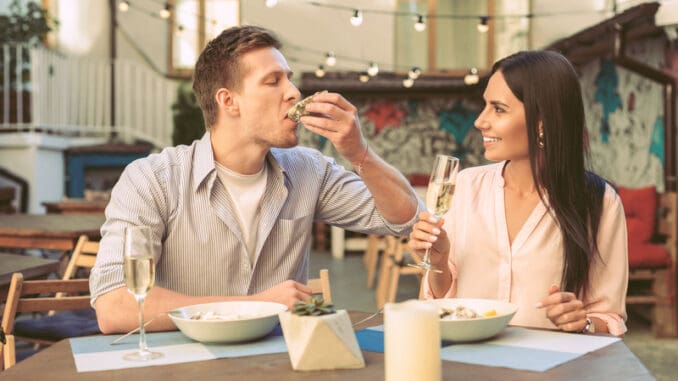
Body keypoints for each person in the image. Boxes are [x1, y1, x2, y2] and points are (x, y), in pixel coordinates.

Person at [90, 25, 421, 334]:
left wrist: (359, 153)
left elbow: (406, 218)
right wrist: (255, 307)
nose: (293, 92)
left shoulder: (310, 170)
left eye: (289, 79)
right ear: (228, 101)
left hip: (281, 363)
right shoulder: (153, 180)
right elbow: (114, 306)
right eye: (273, 81)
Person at [408, 50, 628, 336]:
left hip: (549, 370)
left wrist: (582, 322)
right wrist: (437, 263)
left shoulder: (600, 202)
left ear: (541, 122)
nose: (480, 121)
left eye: (498, 109)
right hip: (468, 363)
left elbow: (608, 318)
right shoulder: (465, 187)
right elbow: (440, 301)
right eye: (484, 105)